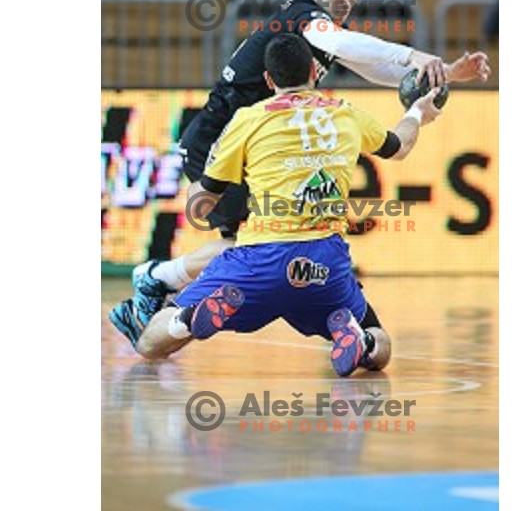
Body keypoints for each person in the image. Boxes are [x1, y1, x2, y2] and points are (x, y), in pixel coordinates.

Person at [109, 0, 490, 343]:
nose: (347, 3)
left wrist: (442, 72)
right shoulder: (306, 18)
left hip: (253, 147)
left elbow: (371, 66)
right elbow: (346, 44)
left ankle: (156, 290)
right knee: (245, 243)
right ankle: (156, 281)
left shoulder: (323, 33)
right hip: (218, 141)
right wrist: (416, 55)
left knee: (247, 242)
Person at [113, 34, 446, 378]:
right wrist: (417, 111)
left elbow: (200, 204)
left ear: (269, 80)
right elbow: (400, 145)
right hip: (324, 263)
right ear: (315, 72)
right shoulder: (345, 114)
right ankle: (362, 343)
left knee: (150, 346)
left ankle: (185, 319)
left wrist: (212, 175)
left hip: (258, 260)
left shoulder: (249, 119)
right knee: (382, 341)